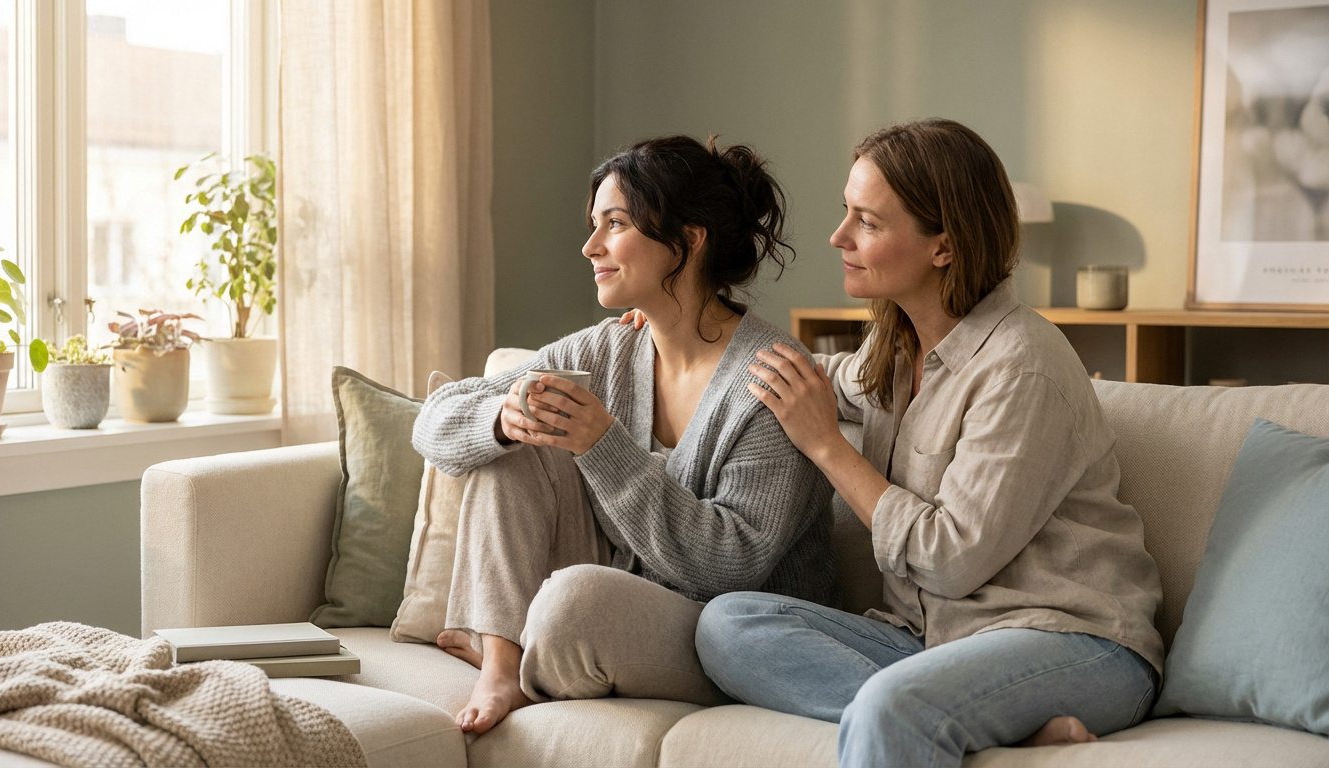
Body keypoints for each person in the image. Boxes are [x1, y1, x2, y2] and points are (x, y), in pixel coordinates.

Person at [690, 119, 1164, 767]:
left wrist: (829, 447)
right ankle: (989, 723)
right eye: (845, 213)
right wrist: (686, 329)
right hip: (931, 642)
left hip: (1074, 641)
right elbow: (802, 378)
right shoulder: (897, 348)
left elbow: (950, 560)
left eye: (868, 223)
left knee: (894, 706)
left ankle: (939, 711)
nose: (839, 238)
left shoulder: (1021, 364)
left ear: (943, 247)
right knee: (727, 625)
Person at [411, 134, 836, 735]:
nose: (590, 247)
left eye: (614, 224)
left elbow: (730, 567)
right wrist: (503, 420)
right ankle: (502, 666)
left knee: (573, 604)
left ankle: (511, 646)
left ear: (688, 242)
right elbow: (434, 418)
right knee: (516, 431)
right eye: (594, 225)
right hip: (625, 607)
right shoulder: (612, 346)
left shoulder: (772, 380)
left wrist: (601, 444)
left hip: (729, 629)